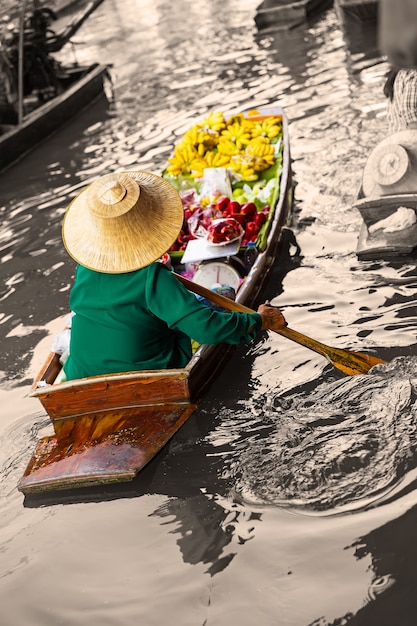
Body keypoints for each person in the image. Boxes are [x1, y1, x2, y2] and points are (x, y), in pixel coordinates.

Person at [61, 170, 287, 381]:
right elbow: (206, 329)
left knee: (207, 300)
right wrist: (260, 320)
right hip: (147, 375)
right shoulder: (152, 278)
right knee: (217, 302)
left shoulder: (85, 268)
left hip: (79, 374)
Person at [384, 67, 417, 133]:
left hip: (398, 139)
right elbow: (412, 122)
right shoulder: (414, 75)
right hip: (409, 140)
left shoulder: (403, 72)